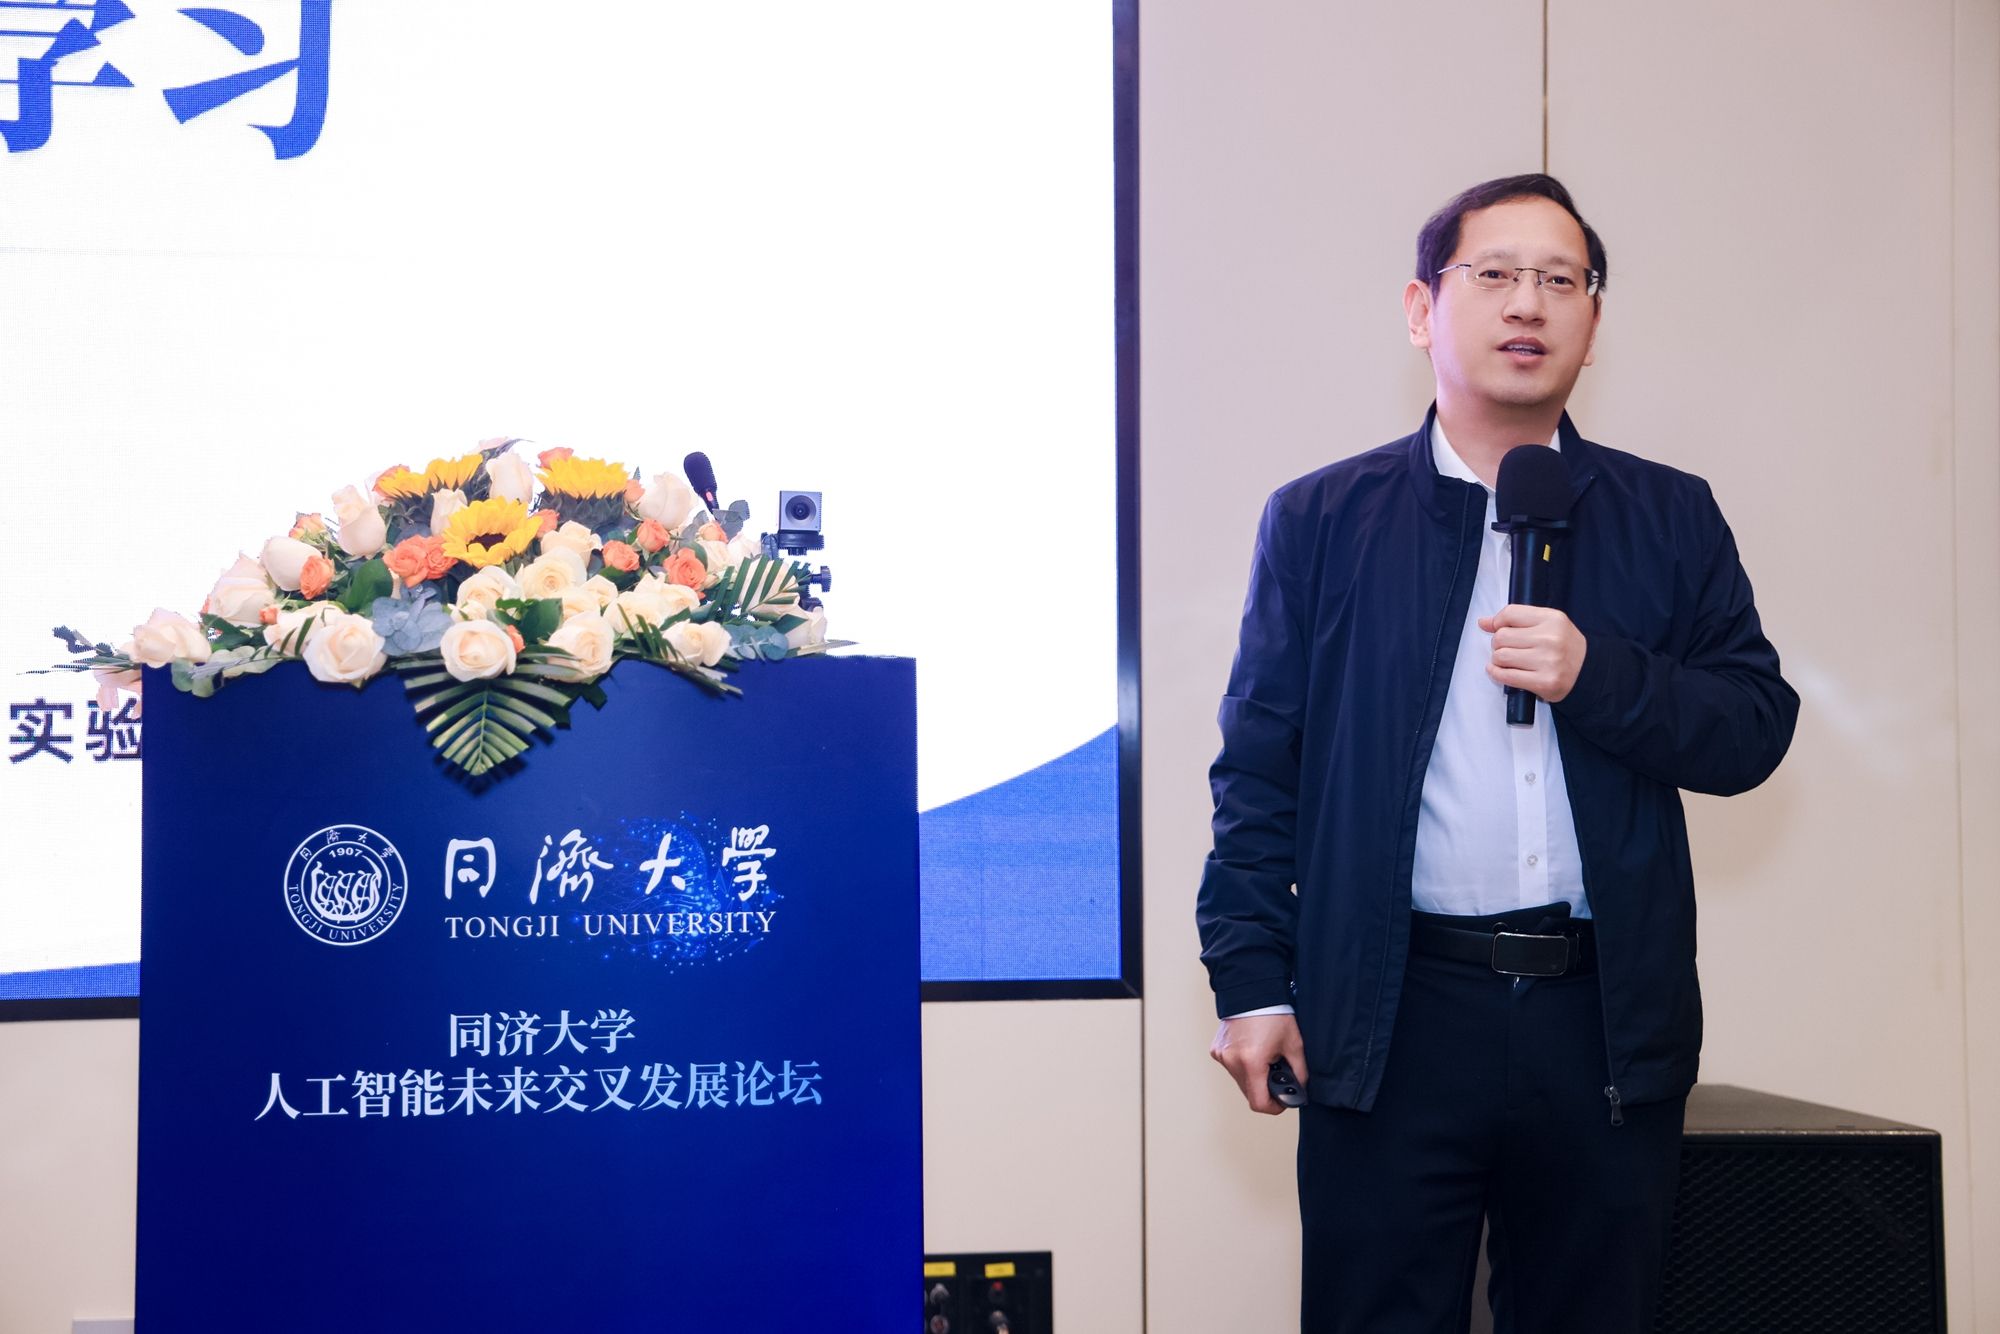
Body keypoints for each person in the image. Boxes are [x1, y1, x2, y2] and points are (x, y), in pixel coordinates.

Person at [1195, 174, 1799, 1334]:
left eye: (1559, 280)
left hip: (1599, 1018)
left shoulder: (1668, 514)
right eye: (1496, 274)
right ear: (1421, 309)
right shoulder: (1320, 519)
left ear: (1592, 321)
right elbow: (1258, 772)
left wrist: (1598, 674)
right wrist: (1251, 978)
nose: (1528, 303)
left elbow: (1750, 725)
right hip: (1392, 1009)